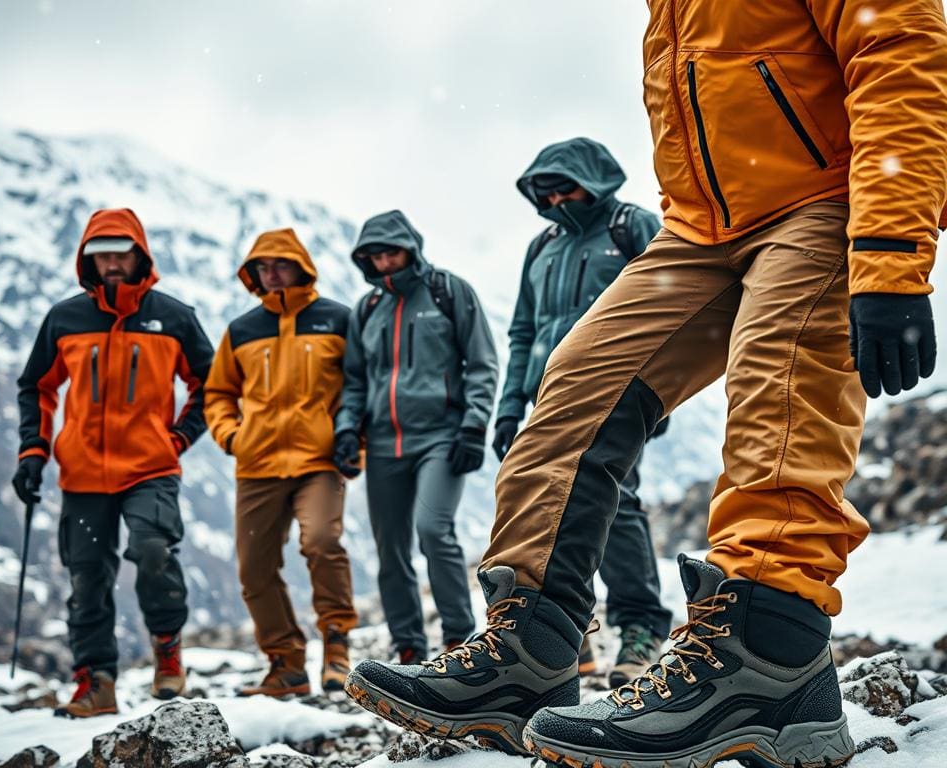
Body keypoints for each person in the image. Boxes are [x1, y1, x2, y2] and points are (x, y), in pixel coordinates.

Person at [346, 1, 947, 763]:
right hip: (700, 230)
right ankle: (528, 650)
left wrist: (891, 246)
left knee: (778, 376)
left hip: (823, 197)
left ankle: (768, 659)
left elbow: (899, 48)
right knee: (576, 386)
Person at [13, 208, 213, 717]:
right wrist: (33, 451)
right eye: (100, 254)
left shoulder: (173, 316)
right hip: (82, 473)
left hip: (151, 467)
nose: (111, 263)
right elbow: (37, 386)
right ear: (88, 260)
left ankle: (167, 649)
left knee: (152, 551)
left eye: (120, 252)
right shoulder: (65, 318)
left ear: (139, 254)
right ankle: (95, 684)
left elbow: (211, 384)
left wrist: (179, 438)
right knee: (86, 579)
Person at [494, 137, 671, 684]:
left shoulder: (631, 226)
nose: (551, 200)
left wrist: (662, 390)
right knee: (546, 506)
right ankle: (566, 635)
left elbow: (673, 306)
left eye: (560, 187)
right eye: (541, 191)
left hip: (619, 388)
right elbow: (523, 330)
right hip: (549, 396)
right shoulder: (541, 246)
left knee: (618, 501)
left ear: (591, 179)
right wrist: (507, 407)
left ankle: (642, 625)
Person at [333, 210, 498, 665]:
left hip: (441, 439)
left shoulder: (448, 292)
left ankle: (460, 641)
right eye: (375, 255)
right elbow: (355, 381)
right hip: (384, 446)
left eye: (392, 251)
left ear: (411, 247)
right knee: (390, 549)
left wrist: (473, 425)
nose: (385, 261)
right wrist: (347, 429)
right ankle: (407, 646)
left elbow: (482, 363)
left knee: (433, 530)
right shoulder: (366, 309)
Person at [205, 228, 358, 696]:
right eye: (262, 267)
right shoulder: (242, 330)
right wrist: (232, 437)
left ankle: (336, 648)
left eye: (280, 264)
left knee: (322, 542)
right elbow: (218, 393)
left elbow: (359, 385)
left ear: (301, 266)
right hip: (257, 466)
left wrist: (352, 439)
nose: (271, 274)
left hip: (319, 460)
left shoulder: (336, 319)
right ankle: (286, 665)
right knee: (254, 568)